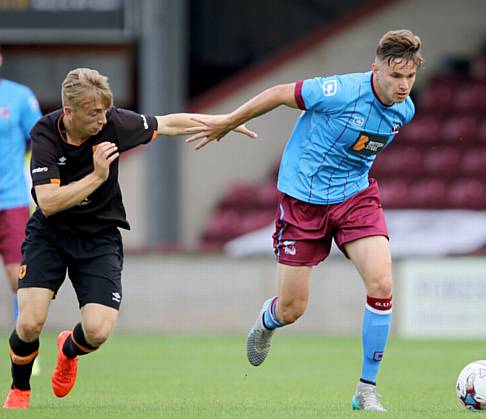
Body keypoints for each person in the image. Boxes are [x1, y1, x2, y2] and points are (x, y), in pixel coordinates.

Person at [186, 29, 422, 412]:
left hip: (354, 198)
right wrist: (228, 121)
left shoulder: (404, 110)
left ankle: (366, 389)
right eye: (396, 76)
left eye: (410, 77)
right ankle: (267, 320)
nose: (403, 86)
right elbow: (280, 93)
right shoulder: (340, 91)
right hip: (303, 201)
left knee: (381, 282)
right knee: (293, 309)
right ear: (374, 69)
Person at [2, 68, 256, 409]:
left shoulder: (113, 124)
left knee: (97, 332)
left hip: (99, 238)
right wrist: (97, 176)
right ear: (69, 112)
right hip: (51, 235)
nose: (102, 120)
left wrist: (223, 120)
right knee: (30, 322)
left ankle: (68, 350)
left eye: (105, 111)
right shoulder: (45, 133)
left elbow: (168, 124)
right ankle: (20, 390)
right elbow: (47, 203)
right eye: (94, 113)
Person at [0, 48, 43, 377]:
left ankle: (24, 348)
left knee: (19, 278)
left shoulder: (18, 96)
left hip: (11, 199)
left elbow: (41, 140)